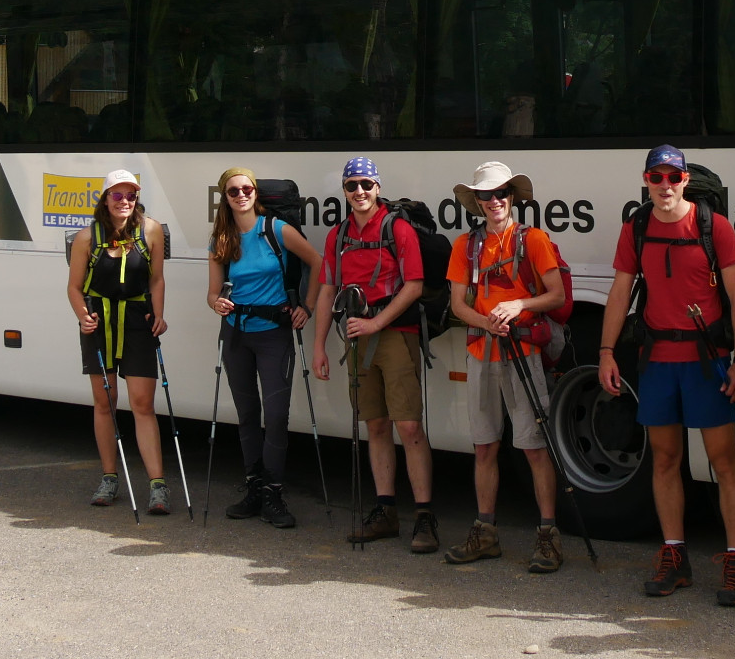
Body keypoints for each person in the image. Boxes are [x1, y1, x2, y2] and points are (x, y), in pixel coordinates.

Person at [598, 144, 735, 604]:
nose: (665, 186)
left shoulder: (714, 226)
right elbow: (620, 292)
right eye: (656, 178)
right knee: (664, 460)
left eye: (673, 177)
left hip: (708, 361)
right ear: (646, 181)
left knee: (724, 462)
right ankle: (674, 555)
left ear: (686, 180)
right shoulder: (637, 227)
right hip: (659, 360)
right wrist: (606, 352)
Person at [443, 161, 567, 573]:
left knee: (534, 447)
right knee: (484, 447)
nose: (493, 201)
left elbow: (556, 296)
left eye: (500, 193)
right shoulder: (465, 245)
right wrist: (488, 323)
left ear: (512, 197)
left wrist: (518, 306)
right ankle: (486, 532)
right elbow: (457, 304)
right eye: (485, 195)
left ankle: (548, 536)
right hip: (482, 351)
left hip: (523, 354)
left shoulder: (533, 240)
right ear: (476, 202)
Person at [311, 156, 438, 552]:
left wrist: (376, 323)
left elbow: (414, 285)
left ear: (378, 187)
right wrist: (318, 346)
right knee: (377, 426)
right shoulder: (338, 236)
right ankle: (386, 511)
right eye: (352, 186)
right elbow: (327, 290)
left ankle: (424, 517)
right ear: (345, 192)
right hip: (356, 336)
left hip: (395, 335)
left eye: (366, 184)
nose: (360, 192)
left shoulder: (397, 228)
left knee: (410, 428)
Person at [208, 166, 322, 528]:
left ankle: (273, 492)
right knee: (246, 415)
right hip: (236, 334)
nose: (241, 195)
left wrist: (308, 307)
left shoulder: (275, 229)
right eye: (233, 191)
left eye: (246, 189)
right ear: (224, 198)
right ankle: (254, 488)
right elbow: (212, 292)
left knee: (275, 417)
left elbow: (318, 263)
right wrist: (217, 304)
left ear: (255, 193)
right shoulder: (222, 239)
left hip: (273, 333)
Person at [66, 170, 172, 514]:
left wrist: (159, 314)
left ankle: (158, 486)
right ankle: (109, 478)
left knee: (142, 403)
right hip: (99, 321)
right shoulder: (86, 237)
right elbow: (74, 286)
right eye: (118, 195)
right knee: (104, 402)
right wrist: (83, 315)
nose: (125, 202)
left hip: (137, 320)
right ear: (105, 199)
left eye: (131, 196)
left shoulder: (151, 230)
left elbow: (156, 280)